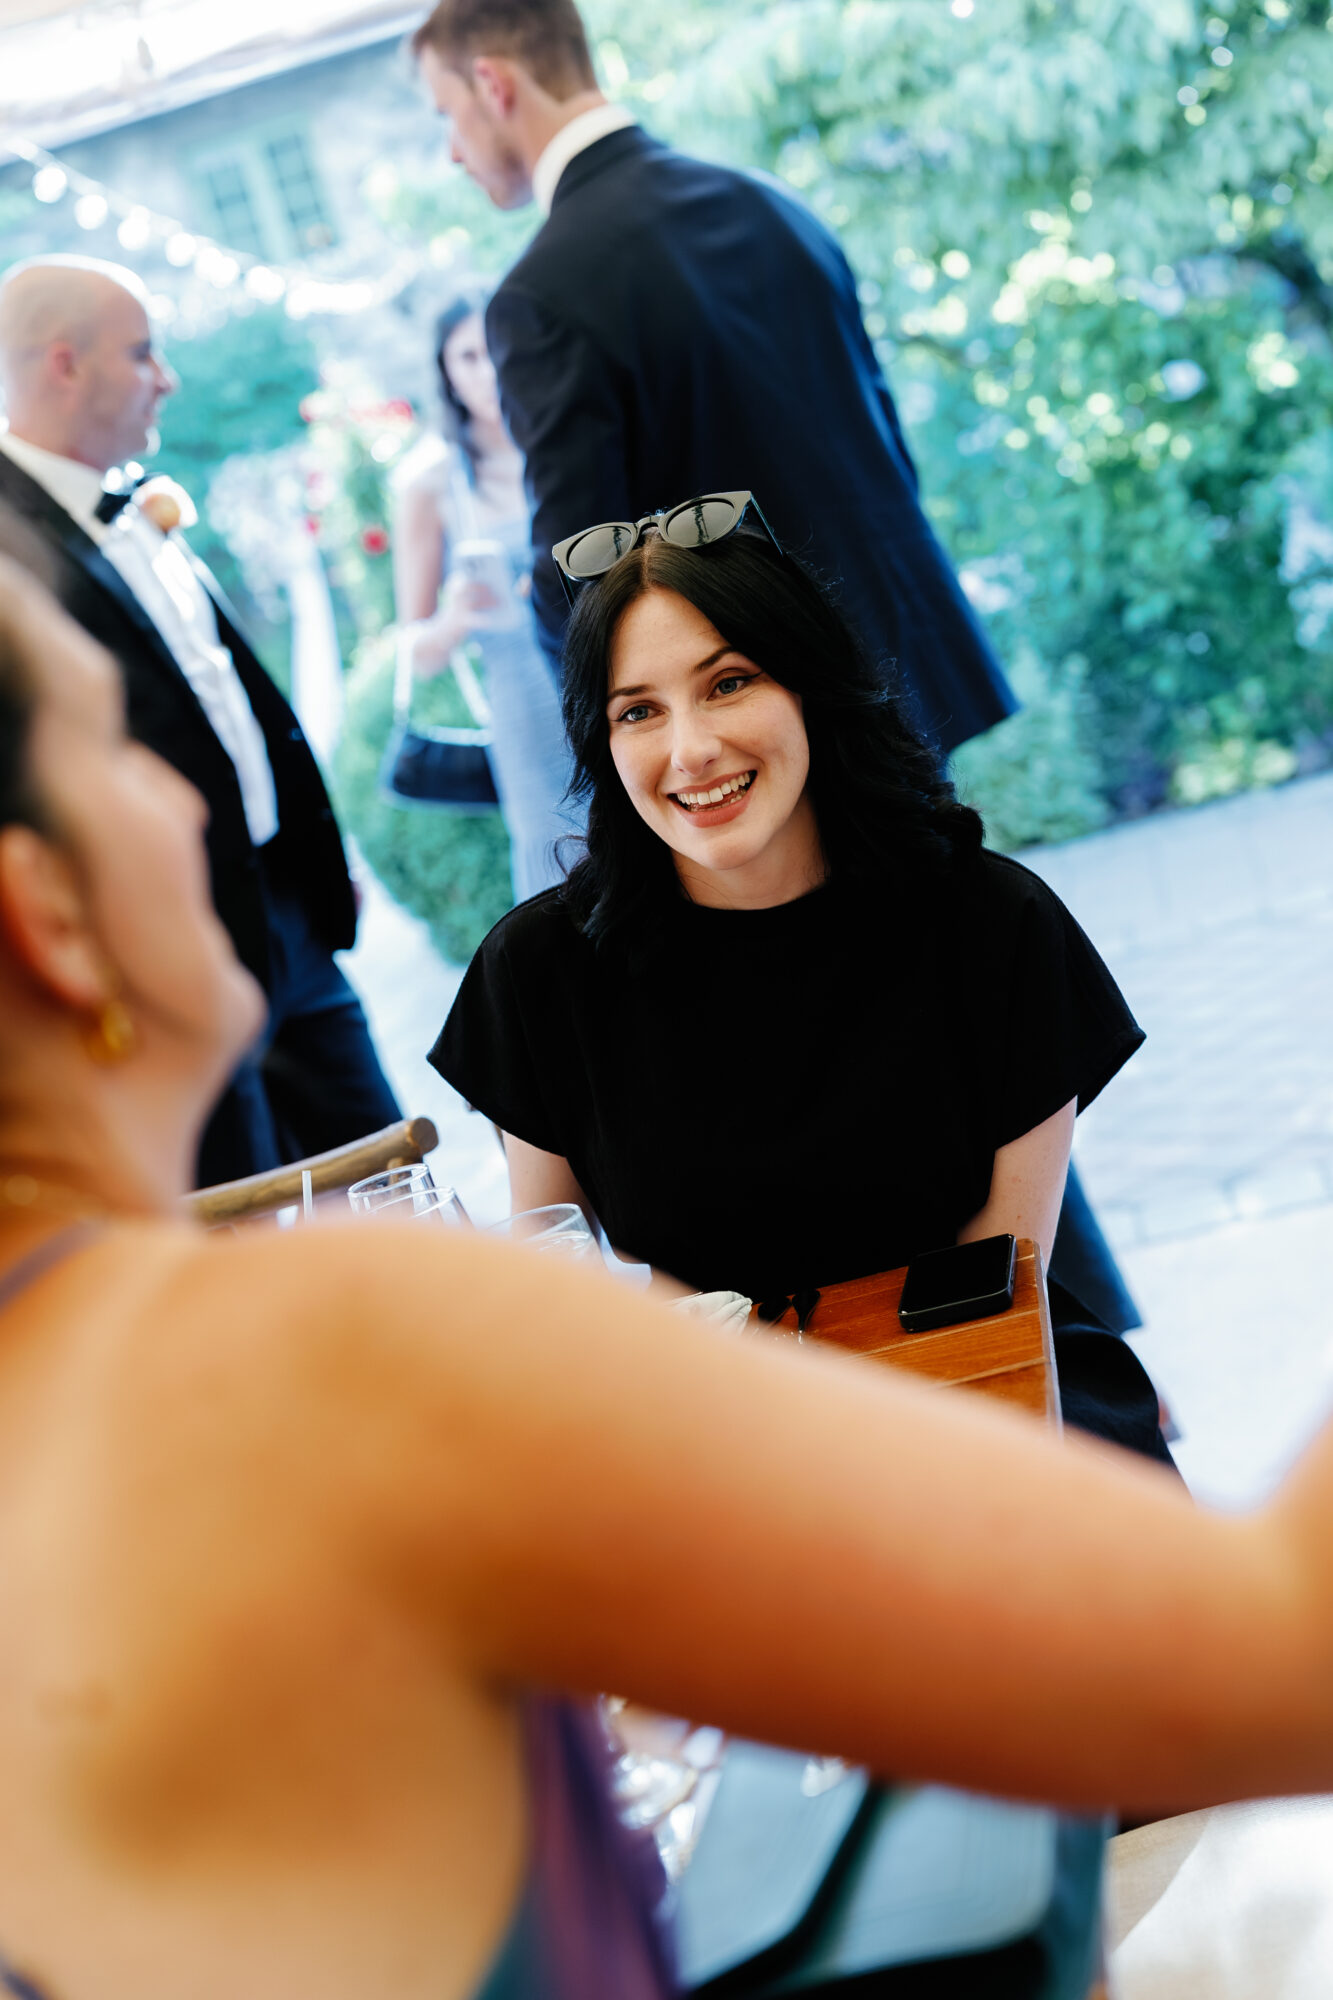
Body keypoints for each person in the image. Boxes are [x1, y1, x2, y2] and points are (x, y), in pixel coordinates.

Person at [1, 544, 1333, 1993]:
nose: (194, 796)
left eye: (729, 684)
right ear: (41, 914)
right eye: (121, 748)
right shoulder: (332, 1332)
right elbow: (1280, 1653)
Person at [411, 0, 1140, 1338]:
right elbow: (882, 452)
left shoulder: (547, 290)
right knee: (954, 1043)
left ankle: (1030, 1348)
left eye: (445, 114)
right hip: (870, 700)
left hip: (744, 745)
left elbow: (585, 582)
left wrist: (653, 712)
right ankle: (1058, 1344)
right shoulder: (772, 211)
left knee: (912, 1034)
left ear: (496, 84)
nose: (451, 150)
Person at [432, 510, 1165, 1459]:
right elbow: (563, 1280)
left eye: (728, 683)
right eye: (637, 711)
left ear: (810, 686)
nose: (689, 750)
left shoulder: (990, 921)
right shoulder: (540, 970)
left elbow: (995, 1282)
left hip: (984, 1401)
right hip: (723, 1431)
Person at [0, 253, 399, 1187]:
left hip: (285, 910)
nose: (168, 379)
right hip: (160, 946)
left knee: (384, 1168)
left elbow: (222, 695)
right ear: (65, 365)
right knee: (240, 1206)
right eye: (143, 353)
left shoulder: (138, 500)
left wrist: (308, 851)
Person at [392, 290, 574, 902]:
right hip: (526, 710)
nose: (488, 370)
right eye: (468, 356)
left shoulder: (562, 441)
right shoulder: (431, 482)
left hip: (607, 674)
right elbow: (418, 653)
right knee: (562, 868)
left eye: (496, 349)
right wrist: (454, 617)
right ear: (445, 371)